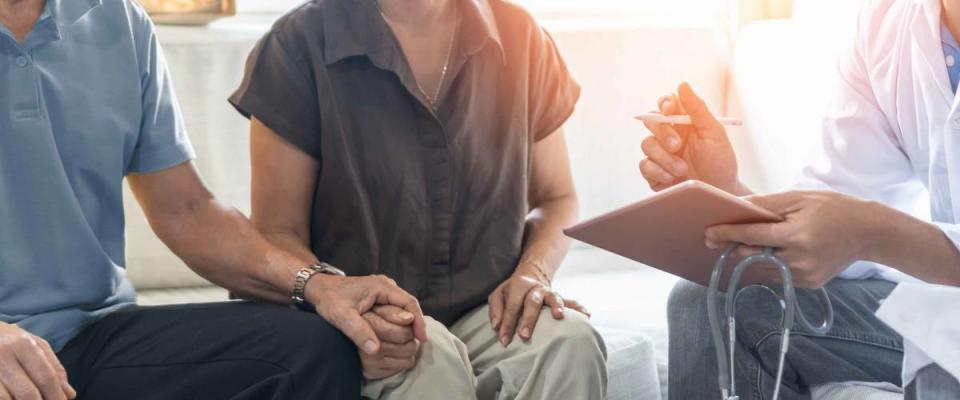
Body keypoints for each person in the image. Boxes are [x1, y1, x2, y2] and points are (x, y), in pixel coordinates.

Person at [0, 0, 427, 398]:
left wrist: (318, 285)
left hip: (92, 334)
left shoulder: (118, 20)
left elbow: (187, 210)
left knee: (317, 346)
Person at [228, 0, 608, 398]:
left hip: (487, 312)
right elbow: (276, 234)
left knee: (572, 342)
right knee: (432, 361)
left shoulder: (522, 36)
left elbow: (557, 197)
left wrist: (534, 273)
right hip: (352, 317)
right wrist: (344, 302)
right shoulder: (297, 44)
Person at [639, 0, 960, 398]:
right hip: (946, 307)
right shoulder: (887, 24)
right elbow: (836, 212)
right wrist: (727, 194)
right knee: (711, 298)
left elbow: (858, 227)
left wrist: (874, 233)